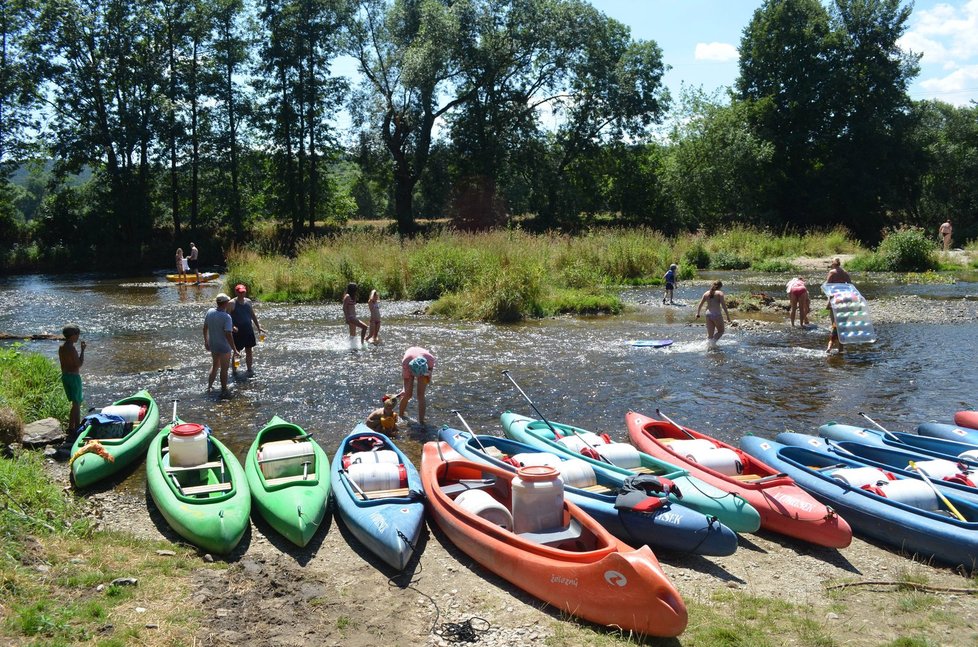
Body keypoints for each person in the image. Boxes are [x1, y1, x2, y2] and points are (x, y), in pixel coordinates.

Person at [203, 293, 239, 396]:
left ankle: (209, 386)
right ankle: (224, 390)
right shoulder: (226, 316)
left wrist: (206, 341)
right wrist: (235, 350)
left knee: (215, 366)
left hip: (213, 344)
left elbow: (205, 327)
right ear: (225, 303)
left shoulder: (210, 312)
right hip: (224, 346)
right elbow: (228, 335)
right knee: (224, 369)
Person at [227, 284, 264, 376]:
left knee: (249, 350)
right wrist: (232, 327)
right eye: (240, 292)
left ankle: (249, 369)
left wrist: (258, 327)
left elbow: (252, 314)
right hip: (237, 332)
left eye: (243, 292)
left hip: (248, 330)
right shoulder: (232, 303)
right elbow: (227, 317)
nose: (242, 294)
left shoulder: (248, 302)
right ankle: (235, 371)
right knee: (237, 352)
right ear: (236, 292)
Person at [397, 346, 436, 426]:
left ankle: (421, 421)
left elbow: (430, 371)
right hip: (410, 361)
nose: (418, 378)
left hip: (424, 366)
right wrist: (404, 389)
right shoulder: (406, 364)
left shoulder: (430, 360)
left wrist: (427, 376)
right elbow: (405, 379)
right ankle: (400, 415)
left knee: (420, 395)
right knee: (407, 394)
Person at [58, 324, 86, 433]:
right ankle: (78, 428)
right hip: (74, 377)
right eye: (77, 334)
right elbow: (79, 364)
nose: (78, 336)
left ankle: (70, 427)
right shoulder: (72, 349)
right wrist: (83, 350)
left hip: (65, 377)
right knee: (77, 403)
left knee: (74, 404)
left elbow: (63, 364)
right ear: (72, 336)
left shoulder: (62, 348)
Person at [695, 280, 731, 346]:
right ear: (720, 287)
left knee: (710, 335)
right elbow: (723, 305)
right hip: (716, 315)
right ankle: (711, 343)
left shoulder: (706, 293)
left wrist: (698, 313)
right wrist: (728, 316)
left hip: (708, 315)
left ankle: (707, 346)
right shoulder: (720, 293)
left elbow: (700, 305)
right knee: (721, 331)